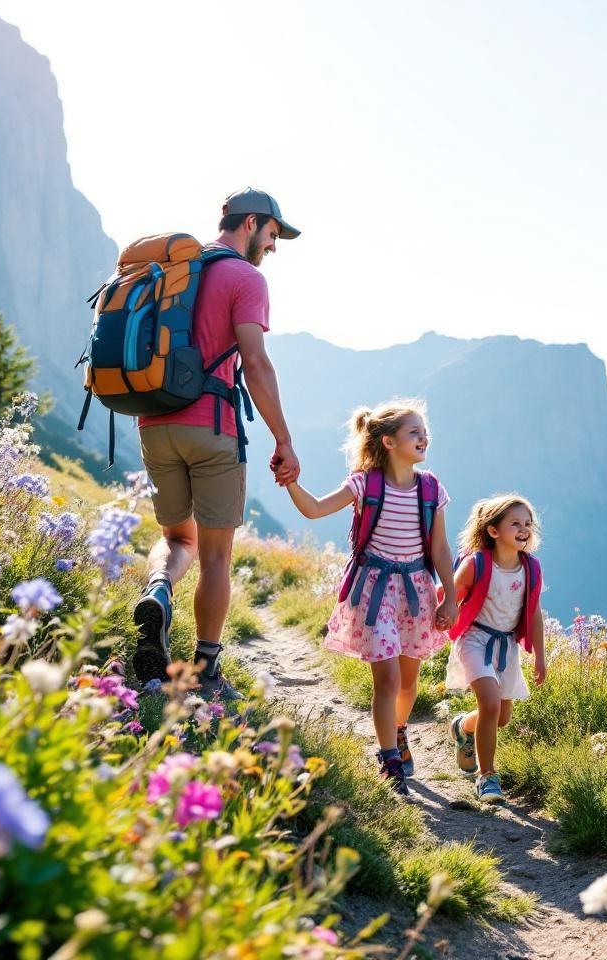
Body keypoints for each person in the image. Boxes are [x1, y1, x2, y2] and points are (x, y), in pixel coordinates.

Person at [132, 188, 302, 700]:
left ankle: (158, 591)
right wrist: (284, 438)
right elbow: (255, 362)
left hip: (154, 423)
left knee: (177, 539)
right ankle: (205, 668)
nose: (273, 246)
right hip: (212, 427)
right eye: (272, 234)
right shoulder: (245, 278)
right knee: (215, 557)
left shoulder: (170, 270)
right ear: (250, 223)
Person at [283, 400, 457, 795]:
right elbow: (313, 509)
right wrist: (291, 481)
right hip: (374, 593)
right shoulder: (364, 483)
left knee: (410, 682)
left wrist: (450, 598)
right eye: (414, 432)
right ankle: (389, 759)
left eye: (424, 431)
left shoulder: (431, 489)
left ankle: (398, 731)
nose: (423, 437)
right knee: (389, 679)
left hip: (416, 592)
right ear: (389, 441)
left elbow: (441, 549)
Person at [446, 495, 546, 804]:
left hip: (506, 646)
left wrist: (540, 655)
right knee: (490, 704)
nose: (523, 529)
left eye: (527, 524)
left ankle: (462, 727)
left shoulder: (529, 568)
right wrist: (437, 617)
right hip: (475, 640)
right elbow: (450, 596)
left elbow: (534, 613)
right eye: (514, 523)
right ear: (493, 531)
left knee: (501, 717)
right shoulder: (476, 564)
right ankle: (487, 778)